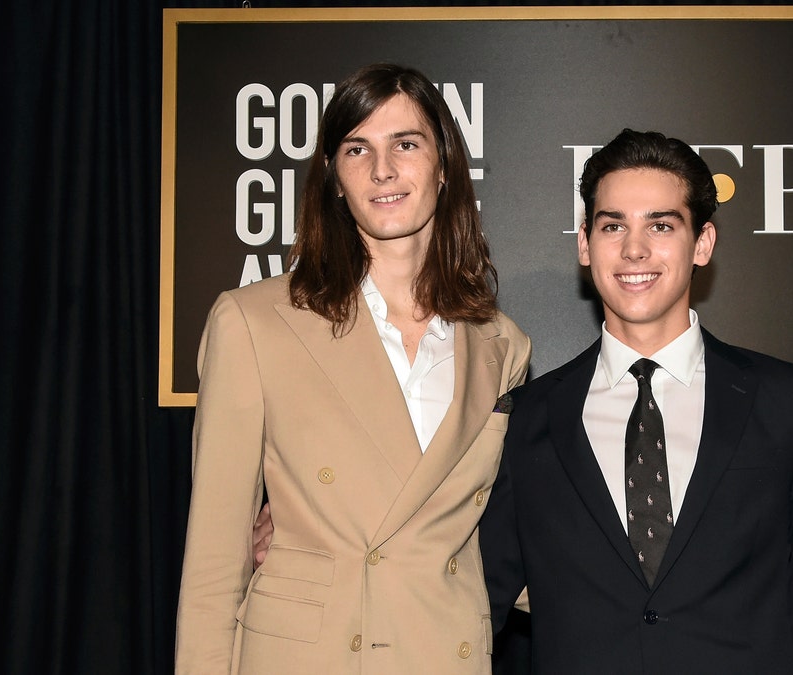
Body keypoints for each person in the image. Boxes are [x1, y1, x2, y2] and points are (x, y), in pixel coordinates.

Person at [477, 129, 793, 673]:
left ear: (702, 244)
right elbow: (475, 607)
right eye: (612, 225)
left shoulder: (790, 403)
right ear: (585, 244)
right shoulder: (528, 417)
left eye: (661, 225)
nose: (634, 249)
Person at [175, 63, 531, 674]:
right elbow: (212, 566)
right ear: (335, 179)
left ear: (443, 168)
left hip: (442, 652)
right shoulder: (253, 322)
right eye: (356, 148)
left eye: (406, 144)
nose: (382, 170)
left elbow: (501, 536)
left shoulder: (501, 344)